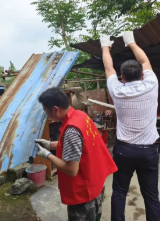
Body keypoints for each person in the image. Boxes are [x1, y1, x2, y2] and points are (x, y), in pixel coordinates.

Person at [99, 30, 160, 220]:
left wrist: (105, 46)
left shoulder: (117, 90)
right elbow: (145, 62)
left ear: (122, 78)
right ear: (142, 75)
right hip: (148, 151)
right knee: (151, 196)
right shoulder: (151, 84)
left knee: (119, 192)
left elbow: (109, 68)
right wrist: (131, 42)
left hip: (124, 151)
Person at [35, 87, 117, 221]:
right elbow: (79, 145)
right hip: (96, 182)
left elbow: (71, 170)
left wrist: (47, 155)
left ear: (56, 109)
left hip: (84, 194)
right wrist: (50, 145)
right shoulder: (80, 115)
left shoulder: (71, 130)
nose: (46, 115)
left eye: (46, 111)